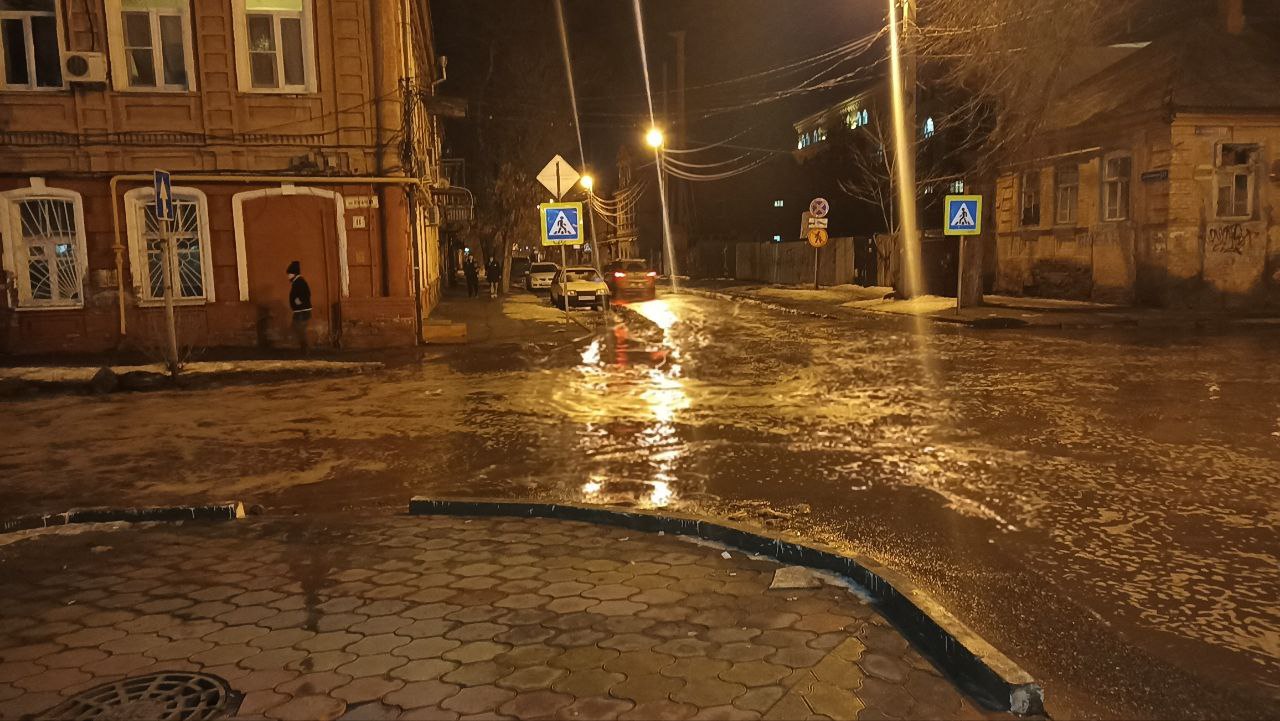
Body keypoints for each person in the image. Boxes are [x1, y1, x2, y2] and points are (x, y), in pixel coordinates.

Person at [286, 260, 312, 352]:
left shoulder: (299, 282)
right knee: (298, 328)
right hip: (300, 310)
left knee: (299, 328)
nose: (288, 276)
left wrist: (299, 301)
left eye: (289, 274)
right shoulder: (298, 282)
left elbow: (306, 294)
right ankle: (303, 347)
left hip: (301, 310)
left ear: (294, 274)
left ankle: (305, 347)